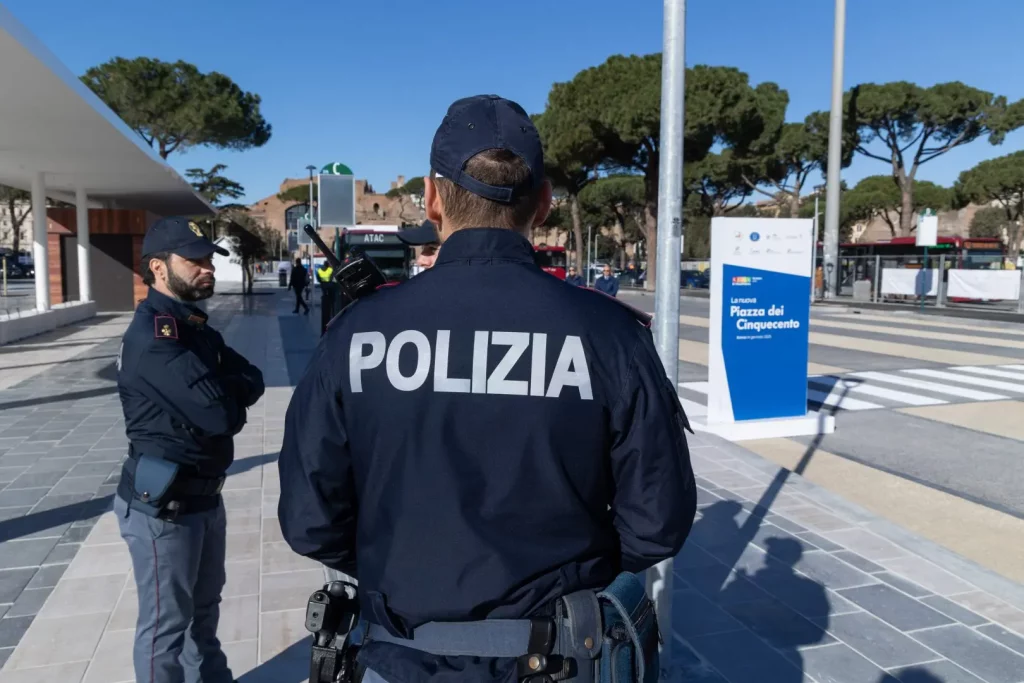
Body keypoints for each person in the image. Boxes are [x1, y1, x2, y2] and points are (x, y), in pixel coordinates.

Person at [277, 95, 696, 683]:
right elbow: (658, 523)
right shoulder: (609, 334)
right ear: (544, 202)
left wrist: (399, 572)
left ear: (431, 198)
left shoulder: (357, 332)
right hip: (559, 659)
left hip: (398, 656)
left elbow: (309, 519)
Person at [115, 216, 265, 683]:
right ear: (158, 268)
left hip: (203, 498)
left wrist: (224, 389)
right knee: (165, 629)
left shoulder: (193, 327)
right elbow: (221, 416)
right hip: (166, 510)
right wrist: (227, 393)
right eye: (194, 260)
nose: (207, 267)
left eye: (209, 259)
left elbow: (254, 378)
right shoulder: (155, 339)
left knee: (205, 612)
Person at [316, 260, 336, 334]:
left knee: (325, 302)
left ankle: (324, 330)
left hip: (323, 286)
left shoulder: (319, 270)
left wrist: (322, 281)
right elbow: (332, 278)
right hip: (330, 287)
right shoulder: (330, 270)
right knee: (331, 305)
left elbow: (318, 278)